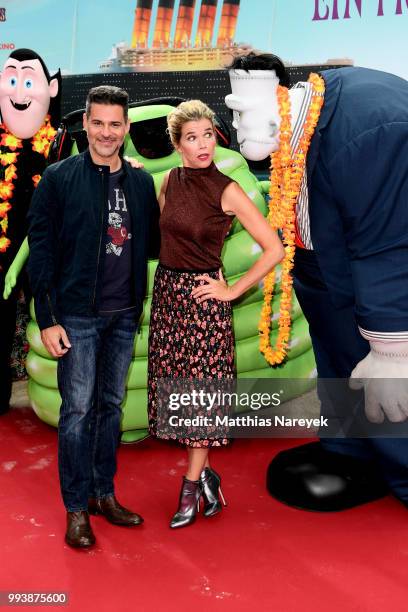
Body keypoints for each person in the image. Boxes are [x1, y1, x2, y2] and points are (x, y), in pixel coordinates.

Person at [225, 52, 408, 511]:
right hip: (327, 266)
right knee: (339, 354)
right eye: (233, 111)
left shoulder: (368, 131)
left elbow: (388, 244)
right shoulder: (294, 125)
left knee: (390, 381)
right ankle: (350, 448)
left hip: (383, 269)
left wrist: (392, 347)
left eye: (244, 111)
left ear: (279, 98)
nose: (237, 124)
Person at [27, 85, 160, 548]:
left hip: (124, 315)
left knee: (111, 408)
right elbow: (40, 254)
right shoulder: (59, 179)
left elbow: (154, 246)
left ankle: (105, 493)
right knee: (77, 413)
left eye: (115, 124)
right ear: (85, 124)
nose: (106, 132)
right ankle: (76, 507)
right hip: (77, 317)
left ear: (126, 128)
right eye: (98, 123)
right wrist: (47, 318)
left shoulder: (140, 183)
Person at [147, 99, 284, 528]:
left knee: (201, 401)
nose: (203, 144)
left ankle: (189, 489)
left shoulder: (227, 189)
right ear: (178, 145)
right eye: (192, 137)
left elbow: (275, 249)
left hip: (205, 302)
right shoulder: (168, 180)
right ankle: (207, 478)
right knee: (176, 395)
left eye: (208, 135)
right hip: (169, 298)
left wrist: (232, 290)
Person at [0, 48, 60, 415]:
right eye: (11, 80)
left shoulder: (62, 141)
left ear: (51, 88)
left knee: (54, 315)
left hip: (45, 247)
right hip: (4, 246)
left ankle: (59, 394)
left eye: (28, 81)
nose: (19, 94)